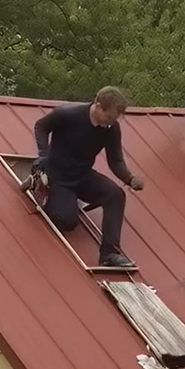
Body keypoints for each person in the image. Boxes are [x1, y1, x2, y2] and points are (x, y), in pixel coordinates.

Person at [30, 86, 143, 268]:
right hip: (58, 175)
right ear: (98, 105)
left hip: (83, 175)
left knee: (115, 195)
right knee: (66, 221)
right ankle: (45, 188)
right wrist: (44, 154)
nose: (110, 123)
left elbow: (115, 160)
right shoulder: (68, 115)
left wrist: (129, 178)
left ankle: (109, 254)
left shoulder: (111, 128)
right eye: (108, 117)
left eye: (114, 120)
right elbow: (41, 126)